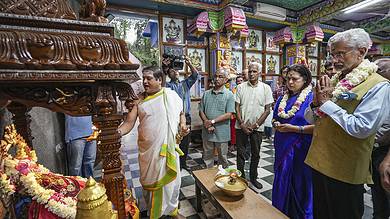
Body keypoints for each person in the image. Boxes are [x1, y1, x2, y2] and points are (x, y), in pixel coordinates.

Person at [304, 28, 390, 219]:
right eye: (333, 54)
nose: (334, 60)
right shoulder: (335, 81)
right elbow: (310, 119)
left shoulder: (378, 85)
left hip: (345, 170)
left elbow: (361, 127)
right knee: (321, 214)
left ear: (362, 51)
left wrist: (326, 104)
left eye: (340, 54)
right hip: (320, 163)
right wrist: (316, 104)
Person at [118, 66, 189, 219]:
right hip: (149, 151)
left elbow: (181, 113)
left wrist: (182, 124)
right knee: (151, 183)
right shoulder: (139, 100)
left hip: (168, 148)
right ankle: (153, 214)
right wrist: (115, 134)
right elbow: (129, 123)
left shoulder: (171, 95)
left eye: (149, 78)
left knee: (172, 184)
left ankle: (172, 211)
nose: (145, 82)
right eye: (143, 78)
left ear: (159, 80)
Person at [272, 64, 315, 218]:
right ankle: (281, 211)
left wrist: (294, 129)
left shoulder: (312, 98)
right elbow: (275, 118)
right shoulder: (283, 98)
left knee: (299, 183)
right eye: (288, 78)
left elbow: (320, 127)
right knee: (283, 178)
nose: (290, 82)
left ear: (305, 80)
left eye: (294, 79)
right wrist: (275, 123)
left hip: (301, 149)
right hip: (282, 145)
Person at [235, 62, 274, 191]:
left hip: (257, 128)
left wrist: (256, 124)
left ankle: (253, 178)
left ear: (259, 73)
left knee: (255, 154)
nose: (251, 74)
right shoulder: (240, 87)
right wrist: (242, 124)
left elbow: (267, 109)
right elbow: (236, 107)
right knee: (240, 154)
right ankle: (241, 178)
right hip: (241, 127)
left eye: (254, 71)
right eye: (250, 71)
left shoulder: (265, 88)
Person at [165, 56, 199, 170]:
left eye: (176, 69)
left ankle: (183, 164)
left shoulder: (185, 84)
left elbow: (195, 75)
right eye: (172, 70)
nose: (175, 72)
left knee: (185, 142)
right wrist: (164, 68)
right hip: (173, 118)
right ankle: (175, 165)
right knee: (174, 141)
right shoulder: (167, 86)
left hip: (187, 118)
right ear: (168, 73)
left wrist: (189, 63)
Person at [199, 68, 235, 169]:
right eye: (216, 76)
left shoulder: (229, 95)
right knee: (207, 156)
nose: (217, 79)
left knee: (222, 157)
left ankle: (222, 178)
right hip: (207, 131)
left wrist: (212, 122)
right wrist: (206, 122)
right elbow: (201, 110)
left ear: (226, 80)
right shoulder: (206, 94)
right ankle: (208, 178)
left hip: (222, 132)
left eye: (220, 77)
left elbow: (229, 114)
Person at [371, 58, 390, 219]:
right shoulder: (376, 93)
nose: (375, 75)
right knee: (378, 199)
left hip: (385, 153)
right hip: (375, 152)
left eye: (380, 71)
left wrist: (387, 160)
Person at [230, 75, 244, 151]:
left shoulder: (246, 90)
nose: (239, 82)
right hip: (235, 113)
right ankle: (232, 144)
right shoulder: (233, 90)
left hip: (243, 114)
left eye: (241, 81)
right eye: (238, 81)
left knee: (242, 130)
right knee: (233, 129)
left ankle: (240, 145)